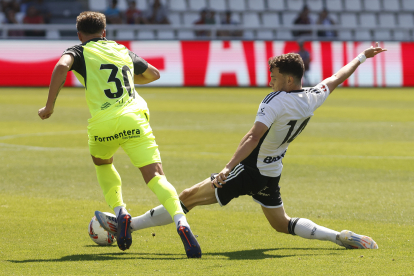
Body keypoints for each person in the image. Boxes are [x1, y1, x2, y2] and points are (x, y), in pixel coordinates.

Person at [96, 43, 387, 250]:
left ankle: (126, 226)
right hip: (272, 171)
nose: (270, 82)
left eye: (274, 78)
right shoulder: (314, 95)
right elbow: (337, 77)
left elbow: (252, 137)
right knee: (281, 223)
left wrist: (227, 168)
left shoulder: (275, 101)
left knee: (187, 197)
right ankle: (338, 236)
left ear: (288, 79)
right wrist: (362, 56)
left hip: (249, 169)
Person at [37, 11, 201, 258]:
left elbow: (62, 66)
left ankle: (121, 211)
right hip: (134, 119)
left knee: (102, 163)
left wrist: (49, 106)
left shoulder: (79, 51)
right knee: (156, 176)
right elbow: (154, 74)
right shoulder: (122, 50)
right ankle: (182, 224)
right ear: (105, 32)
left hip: (103, 125)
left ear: (80, 34)